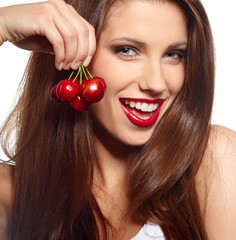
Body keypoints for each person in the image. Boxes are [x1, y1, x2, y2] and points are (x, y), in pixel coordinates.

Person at [0, 0, 236, 239]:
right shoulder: (14, 192)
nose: (156, 84)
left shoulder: (212, 160)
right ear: (71, 49)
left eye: (174, 55)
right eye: (127, 50)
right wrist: (2, 24)